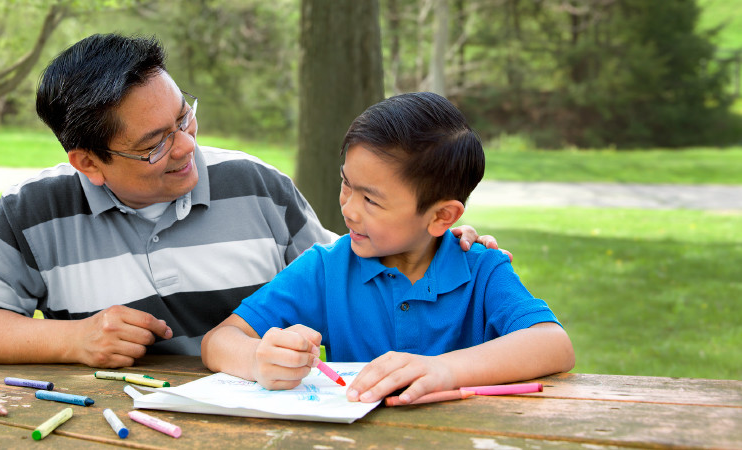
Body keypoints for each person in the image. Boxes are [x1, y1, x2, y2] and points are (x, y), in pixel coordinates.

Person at [0, 34, 498, 368]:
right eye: (155, 144)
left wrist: (444, 242)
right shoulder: (34, 211)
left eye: (183, 118)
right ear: (88, 163)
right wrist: (70, 339)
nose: (186, 147)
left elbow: (357, 265)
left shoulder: (257, 186)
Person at [201, 92, 574, 405]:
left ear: (442, 215)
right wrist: (258, 359)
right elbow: (219, 342)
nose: (348, 209)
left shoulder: (481, 268)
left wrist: (443, 369)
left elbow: (553, 344)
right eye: (347, 184)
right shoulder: (327, 269)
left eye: (372, 201)